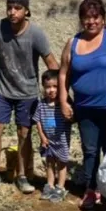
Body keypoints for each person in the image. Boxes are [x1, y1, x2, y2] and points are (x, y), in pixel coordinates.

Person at [0, 0, 59, 195]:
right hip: (3, 90)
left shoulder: (36, 34)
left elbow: (50, 61)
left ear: (26, 11)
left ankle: (22, 175)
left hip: (27, 92)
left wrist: (59, 91)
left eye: (17, 8)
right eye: (9, 7)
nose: (12, 12)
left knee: (24, 133)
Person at [59, 0, 106, 211]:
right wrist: (63, 99)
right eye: (87, 18)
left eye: (96, 17)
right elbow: (63, 74)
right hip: (85, 109)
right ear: (81, 19)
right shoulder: (73, 43)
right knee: (89, 151)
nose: (92, 21)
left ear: (103, 18)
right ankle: (91, 188)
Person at [34, 69, 71, 203]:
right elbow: (37, 120)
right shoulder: (42, 104)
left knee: (61, 163)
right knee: (49, 163)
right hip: (47, 140)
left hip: (61, 140)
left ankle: (60, 187)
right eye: (48, 87)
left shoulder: (63, 105)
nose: (51, 90)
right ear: (43, 87)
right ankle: (49, 185)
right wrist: (42, 136)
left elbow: (70, 118)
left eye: (55, 86)